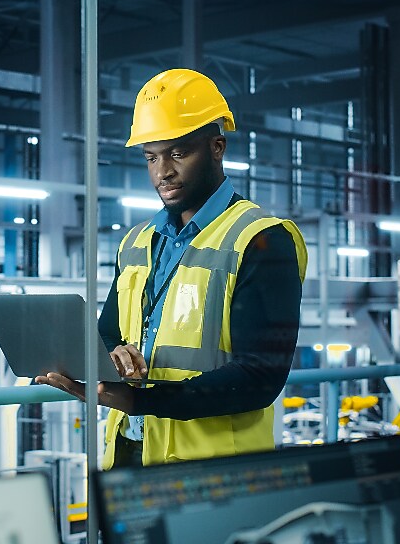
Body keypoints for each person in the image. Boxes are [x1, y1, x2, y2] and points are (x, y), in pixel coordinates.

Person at [36, 69, 307, 468]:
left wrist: (140, 400)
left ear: (217, 147)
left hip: (215, 471)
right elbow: (108, 331)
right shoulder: (136, 242)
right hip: (131, 454)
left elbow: (259, 378)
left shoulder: (262, 240)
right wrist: (114, 355)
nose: (163, 171)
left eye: (178, 153)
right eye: (151, 157)